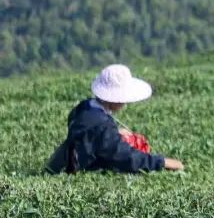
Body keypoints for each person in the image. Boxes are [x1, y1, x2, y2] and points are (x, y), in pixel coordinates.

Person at [45, 64, 184, 175]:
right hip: (72, 170)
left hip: (59, 163)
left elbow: (91, 134)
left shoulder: (84, 107)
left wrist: (113, 133)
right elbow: (124, 156)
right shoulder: (102, 125)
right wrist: (162, 162)